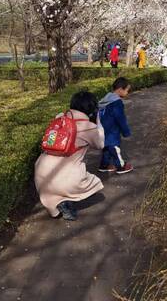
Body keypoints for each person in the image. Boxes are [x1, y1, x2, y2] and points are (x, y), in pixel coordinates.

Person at [34, 90, 104, 221]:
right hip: (67, 179)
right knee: (93, 182)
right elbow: (100, 145)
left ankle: (57, 207)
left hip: (40, 173)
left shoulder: (59, 118)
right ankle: (66, 200)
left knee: (52, 196)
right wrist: (98, 123)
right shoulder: (88, 127)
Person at [98, 77, 134, 174]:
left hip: (103, 129)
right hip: (112, 130)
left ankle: (104, 165)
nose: (128, 93)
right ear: (120, 89)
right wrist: (126, 132)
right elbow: (120, 118)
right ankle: (121, 166)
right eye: (127, 90)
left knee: (106, 148)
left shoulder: (105, 99)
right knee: (114, 148)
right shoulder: (117, 103)